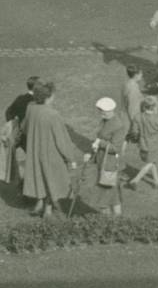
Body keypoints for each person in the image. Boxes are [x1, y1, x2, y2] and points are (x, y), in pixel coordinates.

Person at [18, 80, 79, 218]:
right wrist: (70, 158)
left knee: (39, 177)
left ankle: (39, 204)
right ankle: (48, 210)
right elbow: (62, 140)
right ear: (48, 97)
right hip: (51, 153)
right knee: (53, 180)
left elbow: (24, 128)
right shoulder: (53, 115)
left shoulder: (31, 108)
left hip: (34, 151)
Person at [120, 65, 158, 188]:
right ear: (136, 74)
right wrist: (136, 125)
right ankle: (127, 175)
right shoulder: (133, 89)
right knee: (123, 146)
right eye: (141, 74)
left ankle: (157, 180)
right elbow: (133, 107)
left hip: (125, 118)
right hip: (130, 121)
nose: (142, 76)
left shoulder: (129, 84)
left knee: (124, 146)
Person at [86, 98, 128, 216]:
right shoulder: (105, 121)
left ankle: (109, 221)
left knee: (104, 196)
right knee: (112, 195)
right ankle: (117, 220)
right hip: (103, 163)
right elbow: (100, 136)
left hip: (111, 166)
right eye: (100, 111)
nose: (100, 113)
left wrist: (100, 144)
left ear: (110, 111)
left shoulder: (118, 125)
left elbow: (116, 148)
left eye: (102, 111)